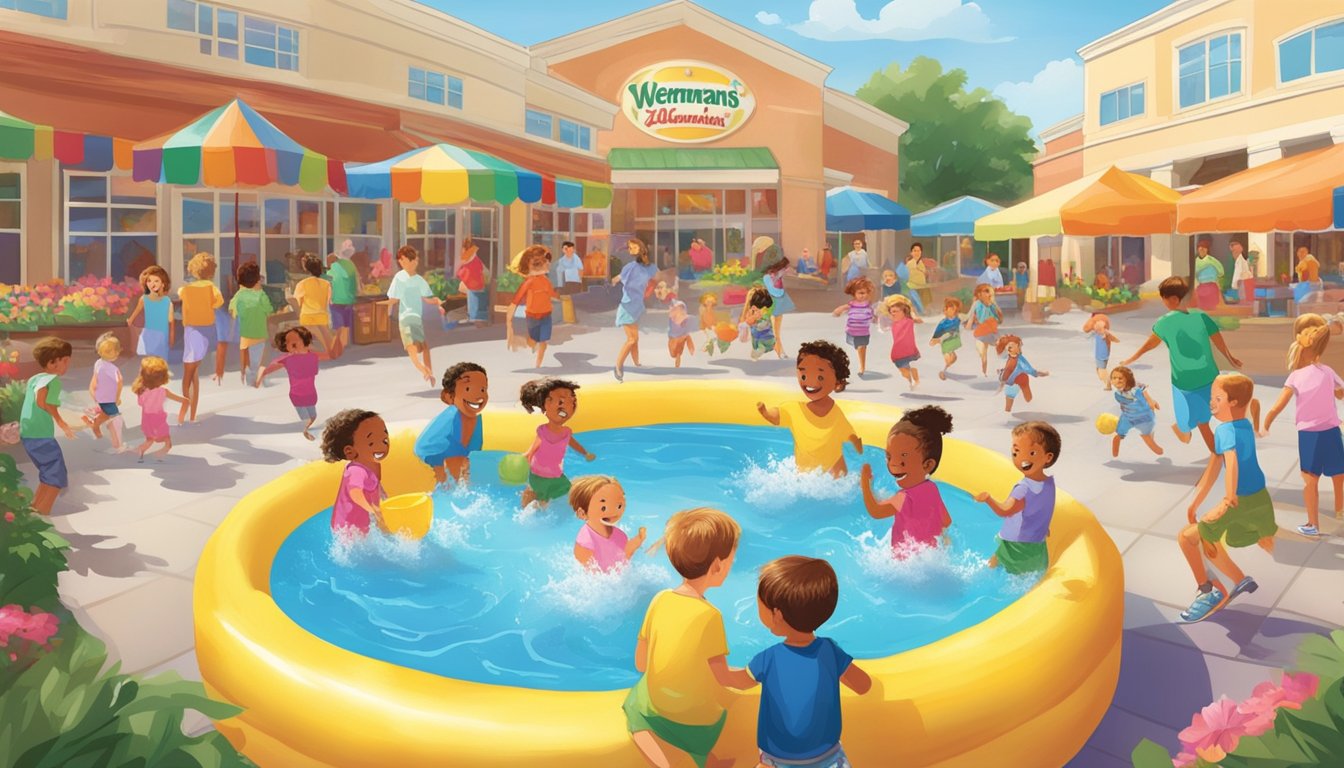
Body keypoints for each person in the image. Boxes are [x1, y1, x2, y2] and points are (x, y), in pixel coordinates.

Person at [624, 508, 745, 768]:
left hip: (657, 710)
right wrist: (753, 676)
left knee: (634, 704)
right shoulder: (710, 615)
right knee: (705, 710)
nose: (732, 564)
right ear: (717, 565)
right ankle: (706, 761)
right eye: (732, 558)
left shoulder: (660, 599)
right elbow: (723, 678)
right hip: (697, 725)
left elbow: (641, 664)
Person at [748, 556, 873, 767]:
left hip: (776, 761)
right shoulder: (830, 653)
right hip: (828, 758)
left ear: (776, 615)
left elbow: (733, 681)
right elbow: (864, 685)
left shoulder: (767, 658)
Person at [1177, 374, 1271, 623]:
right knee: (1203, 535)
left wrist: (1228, 500)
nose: (1211, 403)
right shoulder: (1242, 426)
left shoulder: (1226, 430)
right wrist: (1195, 503)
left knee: (1188, 538)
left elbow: (1230, 462)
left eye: (1217, 398)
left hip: (1241, 500)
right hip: (1257, 496)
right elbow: (1214, 466)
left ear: (1233, 402)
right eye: (1212, 398)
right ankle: (1237, 580)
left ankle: (1212, 590)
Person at [1119, 277, 1242, 452]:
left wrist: (1131, 359)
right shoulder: (1200, 316)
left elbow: (1149, 345)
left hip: (1185, 382)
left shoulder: (1165, 322)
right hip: (1206, 377)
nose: (1163, 302)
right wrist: (1230, 357)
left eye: (1164, 299)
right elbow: (1218, 340)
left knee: (1199, 423)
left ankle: (1220, 456)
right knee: (1199, 422)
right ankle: (1215, 451)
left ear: (1173, 299)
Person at [1260, 314, 1344, 536]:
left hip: (1310, 434)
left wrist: (1266, 423)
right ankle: (1337, 510)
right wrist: (1335, 391)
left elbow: (1278, 406)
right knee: (1335, 474)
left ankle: (1314, 524)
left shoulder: (1298, 376)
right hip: (1327, 430)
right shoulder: (1324, 372)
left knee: (1312, 480)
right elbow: (1341, 394)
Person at [757, 340, 863, 476]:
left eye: (820, 377)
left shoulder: (835, 413)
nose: (810, 382)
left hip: (832, 465)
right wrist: (765, 412)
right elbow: (777, 415)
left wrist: (858, 446)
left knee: (839, 472)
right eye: (804, 375)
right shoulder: (795, 409)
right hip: (806, 472)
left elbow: (849, 433)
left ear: (837, 382)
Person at [859, 406, 954, 556]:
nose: (893, 465)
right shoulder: (932, 489)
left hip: (903, 563)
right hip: (930, 556)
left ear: (928, 464)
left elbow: (875, 511)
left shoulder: (903, 497)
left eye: (903, 457)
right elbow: (946, 521)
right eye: (889, 457)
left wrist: (865, 484)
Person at [975, 422, 1061, 575]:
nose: (1022, 459)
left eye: (1031, 453)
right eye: (1016, 453)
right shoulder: (1049, 484)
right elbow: (1042, 510)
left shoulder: (1023, 489)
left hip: (1015, 547)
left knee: (990, 567)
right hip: (1038, 549)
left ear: (1048, 457)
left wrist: (988, 498)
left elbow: (1005, 511)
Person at [518, 377, 595, 508]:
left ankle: (536, 502)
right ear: (544, 406)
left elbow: (573, 443)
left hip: (556, 474)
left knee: (568, 493)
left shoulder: (566, 432)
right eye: (561, 403)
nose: (568, 408)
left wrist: (585, 453)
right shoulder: (543, 431)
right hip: (539, 474)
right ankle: (529, 505)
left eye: (572, 402)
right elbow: (533, 449)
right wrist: (525, 458)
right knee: (540, 500)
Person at [20, 337, 76, 515]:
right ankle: (42, 515)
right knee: (56, 476)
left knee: (48, 472)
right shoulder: (52, 380)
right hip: (40, 434)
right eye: (65, 360)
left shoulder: (35, 378)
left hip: (29, 433)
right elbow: (42, 401)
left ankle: (35, 508)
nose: (67, 365)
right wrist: (61, 422)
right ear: (53, 363)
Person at [257, 326, 337, 441]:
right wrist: (260, 375)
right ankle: (305, 433)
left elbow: (330, 355)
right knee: (305, 419)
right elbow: (269, 367)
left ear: (305, 341)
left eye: (294, 341)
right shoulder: (287, 359)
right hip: (297, 395)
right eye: (288, 342)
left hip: (311, 394)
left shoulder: (313, 355)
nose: (290, 344)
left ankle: (307, 430)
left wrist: (327, 336)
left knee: (313, 416)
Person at [414, 362, 488, 487]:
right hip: (441, 454)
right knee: (452, 481)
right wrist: (439, 467)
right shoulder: (450, 418)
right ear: (449, 396)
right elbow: (423, 446)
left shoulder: (475, 420)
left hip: (459, 457)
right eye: (468, 389)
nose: (478, 396)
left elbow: (474, 452)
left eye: (483, 389)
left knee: (466, 475)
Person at [322, 408, 389, 537]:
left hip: (363, 521)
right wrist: (374, 512)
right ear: (350, 451)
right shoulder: (356, 471)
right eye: (371, 443)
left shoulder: (372, 465)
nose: (382, 447)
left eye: (384, 440)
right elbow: (355, 493)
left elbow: (376, 486)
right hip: (348, 526)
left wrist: (386, 500)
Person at [387, 245, 444, 385]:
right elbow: (428, 299)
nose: (404, 263)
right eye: (402, 261)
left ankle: (426, 371)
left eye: (405, 260)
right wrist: (437, 302)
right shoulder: (418, 279)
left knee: (412, 350)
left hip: (406, 319)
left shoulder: (399, 277)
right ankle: (428, 372)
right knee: (424, 348)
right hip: (415, 318)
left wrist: (387, 314)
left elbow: (393, 299)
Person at [179, 253, 224, 423]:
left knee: (190, 371)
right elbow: (218, 303)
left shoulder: (185, 289)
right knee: (194, 371)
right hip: (207, 329)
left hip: (191, 330)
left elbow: (183, 299)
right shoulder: (212, 288)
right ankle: (191, 414)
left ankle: (186, 410)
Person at [570, 475, 646, 571]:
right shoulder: (585, 542)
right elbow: (587, 575)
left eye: (619, 506)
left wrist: (638, 540)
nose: (614, 513)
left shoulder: (620, 535)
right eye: (603, 508)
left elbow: (625, 554)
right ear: (583, 513)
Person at [505, 245, 559, 370]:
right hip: (532, 317)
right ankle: (523, 343)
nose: (545, 265)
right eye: (539, 263)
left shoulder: (546, 281)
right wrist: (509, 320)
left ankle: (538, 366)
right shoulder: (529, 282)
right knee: (533, 341)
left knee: (543, 342)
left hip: (546, 315)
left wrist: (560, 296)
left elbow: (553, 294)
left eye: (546, 262)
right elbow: (516, 300)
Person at [612, 238, 658, 381]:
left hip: (637, 305)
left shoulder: (650, 267)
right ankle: (618, 366)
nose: (631, 250)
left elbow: (658, 279)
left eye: (633, 247)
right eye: (630, 248)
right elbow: (617, 278)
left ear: (641, 248)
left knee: (635, 338)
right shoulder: (630, 267)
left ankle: (637, 364)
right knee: (632, 339)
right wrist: (615, 280)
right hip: (627, 305)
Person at [131, 355, 188, 463]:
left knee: (150, 440)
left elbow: (141, 404)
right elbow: (185, 401)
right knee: (167, 441)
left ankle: (141, 451)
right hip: (159, 420)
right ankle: (159, 456)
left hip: (146, 419)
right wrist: (181, 417)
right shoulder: (163, 392)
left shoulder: (141, 391)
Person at [230, 261, 274, 386]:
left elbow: (232, 310)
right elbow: (269, 310)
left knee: (248, 356)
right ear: (256, 280)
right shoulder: (261, 295)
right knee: (258, 358)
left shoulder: (239, 295)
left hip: (244, 333)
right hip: (259, 332)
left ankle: (248, 376)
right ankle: (257, 379)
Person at [83, 332, 125, 452]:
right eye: (111, 351)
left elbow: (95, 378)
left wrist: (93, 392)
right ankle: (118, 446)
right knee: (116, 420)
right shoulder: (113, 369)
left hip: (101, 397)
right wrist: (116, 398)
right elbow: (120, 383)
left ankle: (94, 423)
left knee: (105, 414)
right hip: (108, 399)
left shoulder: (98, 363)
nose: (115, 353)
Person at [1109, 366, 1164, 458]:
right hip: (1128, 416)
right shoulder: (1118, 393)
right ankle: (1116, 448)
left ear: (1127, 379)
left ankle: (1154, 444)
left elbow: (1145, 394)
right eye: (1114, 378)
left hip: (1143, 416)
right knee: (1119, 433)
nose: (1117, 380)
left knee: (1147, 435)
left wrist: (1151, 401)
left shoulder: (1135, 389)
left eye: (1120, 378)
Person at [126, 265, 173, 359]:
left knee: (161, 360)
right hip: (149, 333)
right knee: (149, 359)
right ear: (145, 283)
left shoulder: (167, 301)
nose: (152, 284)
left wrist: (171, 337)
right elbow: (136, 312)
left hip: (162, 333)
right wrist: (130, 321)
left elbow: (171, 322)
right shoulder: (144, 299)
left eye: (156, 281)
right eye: (149, 281)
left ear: (163, 283)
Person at [833, 277, 876, 375]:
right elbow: (842, 308)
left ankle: (862, 367)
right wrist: (837, 312)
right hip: (851, 331)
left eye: (865, 293)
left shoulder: (868, 305)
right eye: (860, 293)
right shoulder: (852, 304)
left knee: (861, 348)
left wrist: (875, 319)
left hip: (863, 332)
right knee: (856, 347)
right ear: (854, 293)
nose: (863, 295)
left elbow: (873, 316)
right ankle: (859, 354)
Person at [995, 335, 1048, 413]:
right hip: (1012, 382)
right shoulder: (1010, 357)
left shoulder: (1020, 360)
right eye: (1008, 347)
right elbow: (1009, 368)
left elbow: (1030, 370)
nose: (1009, 349)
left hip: (1021, 380)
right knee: (1010, 397)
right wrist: (1002, 371)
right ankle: (1007, 412)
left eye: (1013, 346)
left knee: (1027, 399)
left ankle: (1032, 408)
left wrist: (1041, 373)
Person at [883, 294, 923, 390]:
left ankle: (916, 381)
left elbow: (914, 314)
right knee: (904, 372)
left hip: (910, 351)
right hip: (898, 353)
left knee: (913, 365)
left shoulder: (909, 321)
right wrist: (889, 301)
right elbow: (884, 310)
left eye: (896, 311)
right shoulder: (893, 323)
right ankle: (910, 381)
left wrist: (914, 315)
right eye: (891, 312)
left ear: (903, 311)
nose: (893, 314)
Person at [326, 241, 359, 350]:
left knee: (338, 323)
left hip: (336, 300)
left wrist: (328, 299)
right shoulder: (349, 266)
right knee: (346, 322)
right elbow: (355, 283)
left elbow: (329, 286)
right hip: (349, 299)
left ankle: (339, 344)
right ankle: (345, 343)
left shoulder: (330, 272)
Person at [966, 283, 1003, 377]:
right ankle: (984, 373)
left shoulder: (992, 306)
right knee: (983, 354)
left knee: (1001, 350)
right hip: (981, 332)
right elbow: (970, 317)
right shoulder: (977, 304)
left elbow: (1000, 319)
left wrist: (994, 304)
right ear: (979, 294)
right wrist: (969, 324)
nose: (989, 294)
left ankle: (1001, 371)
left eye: (990, 292)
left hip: (992, 332)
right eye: (986, 291)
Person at [762, 254, 794, 358]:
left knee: (777, 331)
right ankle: (779, 351)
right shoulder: (768, 277)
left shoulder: (778, 277)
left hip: (778, 305)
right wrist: (778, 279)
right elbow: (774, 292)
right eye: (786, 268)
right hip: (770, 306)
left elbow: (780, 292)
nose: (787, 270)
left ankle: (780, 350)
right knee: (774, 332)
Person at [455, 238, 489, 325]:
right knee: (472, 298)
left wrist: (459, 272)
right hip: (477, 284)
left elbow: (465, 270)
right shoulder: (473, 257)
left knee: (473, 298)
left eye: (462, 248)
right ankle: (473, 316)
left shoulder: (469, 258)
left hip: (474, 284)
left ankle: (473, 317)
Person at [929, 297, 963, 381]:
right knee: (948, 358)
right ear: (945, 310)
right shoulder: (943, 323)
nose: (953, 311)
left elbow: (964, 319)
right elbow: (938, 331)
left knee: (954, 358)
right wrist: (934, 339)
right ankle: (943, 372)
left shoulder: (957, 319)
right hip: (945, 342)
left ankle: (945, 370)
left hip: (953, 341)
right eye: (950, 309)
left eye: (955, 310)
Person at [1083, 313, 1120, 390]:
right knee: (1099, 369)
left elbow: (1086, 329)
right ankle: (1109, 382)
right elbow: (1113, 338)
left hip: (1101, 354)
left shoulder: (1102, 332)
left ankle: (1108, 384)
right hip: (1105, 353)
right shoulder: (1103, 332)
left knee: (1101, 370)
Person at [1193, 239, 1224, 311]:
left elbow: (1221, 272)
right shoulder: (1195, 262)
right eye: (1200, 248)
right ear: (1198, 249)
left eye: (1204, 248)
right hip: (1201, 288)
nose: (1202, 249)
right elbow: (1194, 277)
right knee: (1202, 309)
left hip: (1212, 287)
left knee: (1212, 309)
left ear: (1207, 250)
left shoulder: (1213, 261)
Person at [668, 300, 695, 368]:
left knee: (678, 351)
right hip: (673, 337)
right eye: (677, 308)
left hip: (680, 337)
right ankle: (679, 355)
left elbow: (689, 325)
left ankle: (690, 348)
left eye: (681, 308)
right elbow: (671, 309)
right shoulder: (672, 316)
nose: (679, 310)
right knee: (673, 354)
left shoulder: (685, 318)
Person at [904, 243, 930, 314]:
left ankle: (921, 312)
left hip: (921, 287)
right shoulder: (909, 264)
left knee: (924, 300)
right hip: (912, 287)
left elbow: (924, 274)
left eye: (919, 251)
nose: (917, 253)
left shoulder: (921, 263)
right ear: (911, 252)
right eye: (915, 251)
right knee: (916, 301)